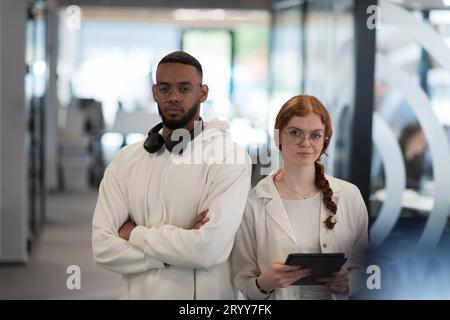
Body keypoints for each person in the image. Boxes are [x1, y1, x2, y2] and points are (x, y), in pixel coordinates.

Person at [92, 51, 251, 299]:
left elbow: (208, 250)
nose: (173, 97)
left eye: (184, 89)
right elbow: (102, 247)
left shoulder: (229, 157)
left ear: (203, 93)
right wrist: (183, 246)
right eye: (165, 89)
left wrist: (134, 234)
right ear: (155, 92)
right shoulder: (126, 160)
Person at [231, 95, 369, 300]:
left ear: (325, 141)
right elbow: (243, 286)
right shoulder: (253, 202)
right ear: (278, 137)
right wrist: (266, 282)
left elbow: (368, 271)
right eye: (295, 133)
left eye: (315, 135)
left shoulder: (349, 196)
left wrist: (348, 283)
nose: (306, 143)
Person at [399, 124, 426, 190]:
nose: (423, 144)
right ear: (409, 139)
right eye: (420, 140)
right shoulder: (395, 158)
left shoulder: (417, 160)